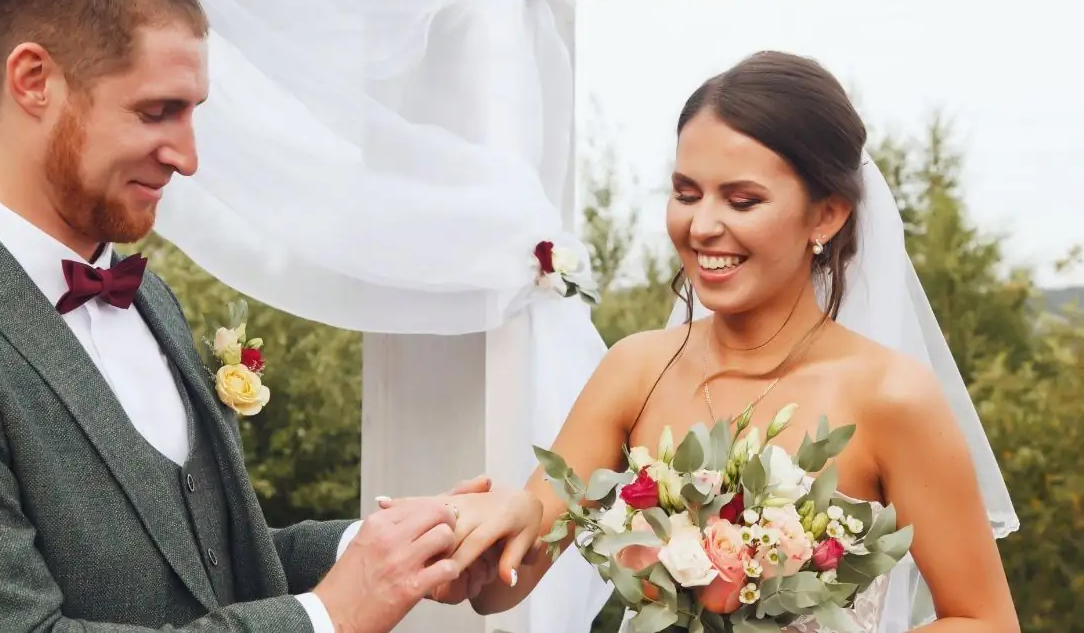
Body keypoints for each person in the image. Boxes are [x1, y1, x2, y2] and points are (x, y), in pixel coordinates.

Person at [0, 0, 542, 631]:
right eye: (156, 112)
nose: (188, 157)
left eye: (192, 113)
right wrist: (331, 615)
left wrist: (406, 545)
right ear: (34, 80)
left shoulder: (151, 300)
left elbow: (215, 564)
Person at [391, 51, 1020, 631]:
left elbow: (984, 620)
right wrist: (488, 536)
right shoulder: (635, 370)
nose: (702, 226)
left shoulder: (891, 395)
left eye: (742, 201)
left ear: (826, 215)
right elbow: (503, 588)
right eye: (686, 194)